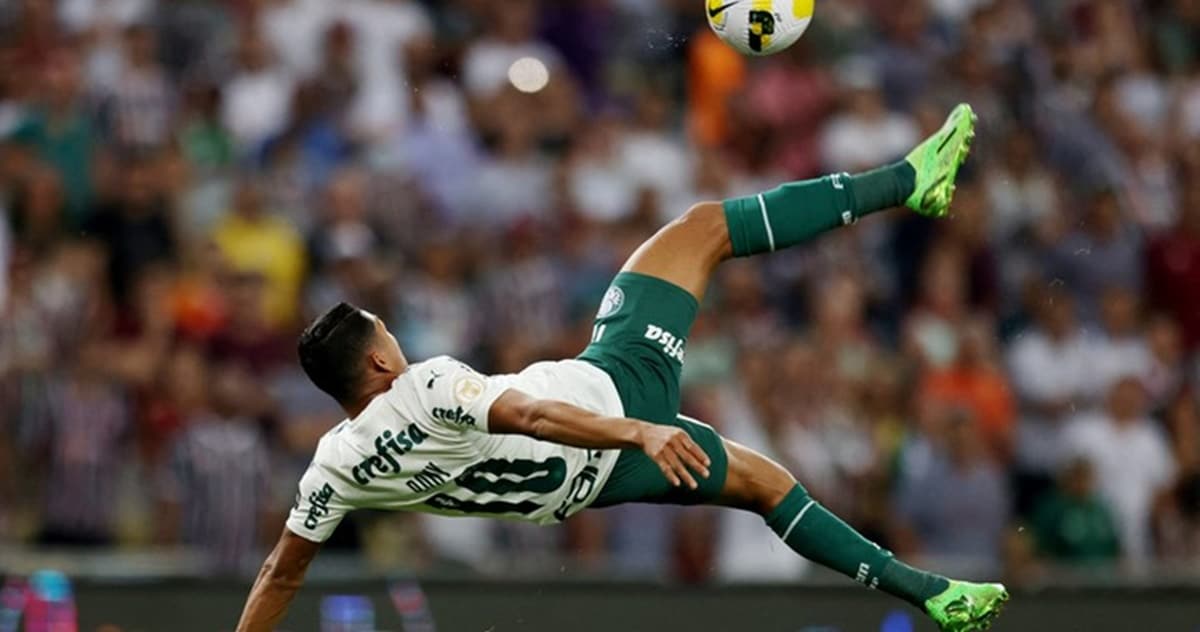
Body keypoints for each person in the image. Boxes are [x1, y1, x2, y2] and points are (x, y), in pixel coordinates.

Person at [236, 105, 1008, 631]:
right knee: (704, 228)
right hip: (617, 396)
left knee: (767, 486)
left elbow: (279, 575)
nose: (399, 343)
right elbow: (532, 415)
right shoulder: (424, 385)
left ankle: (932, 597)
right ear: (378, 358)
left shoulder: (332, 469)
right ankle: (909, 180)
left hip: (591, 488)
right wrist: (634, 427)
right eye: (390, 336)